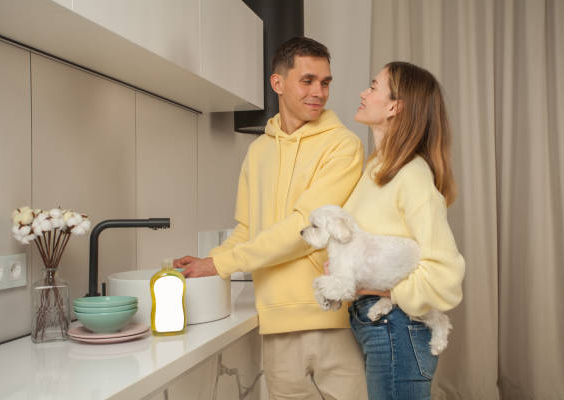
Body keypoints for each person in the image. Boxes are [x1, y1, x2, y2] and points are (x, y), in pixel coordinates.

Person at [173, 37, 368, 399]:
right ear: (277, 83)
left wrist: (225, 263)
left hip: (331, 319)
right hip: (276, 324)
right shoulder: (258, 151)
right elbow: (248, 229)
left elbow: (307, 227)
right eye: (307, 80)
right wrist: (212, 261)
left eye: (325, 82)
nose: (319, 92)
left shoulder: (343, 145)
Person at [343, 62, 466, 400]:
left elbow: (446, 276)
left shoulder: (411, 175)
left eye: (372, 86)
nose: (363, 93)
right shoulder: (377, 168)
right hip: (380, 329)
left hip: (397, 330)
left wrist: (384, 291)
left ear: (395, 106)